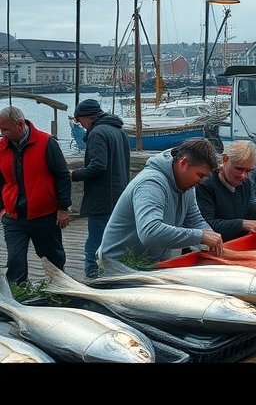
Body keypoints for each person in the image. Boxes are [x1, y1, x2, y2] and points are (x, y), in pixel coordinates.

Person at [98, 138, 223, 265]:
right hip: (120, 267)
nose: (202, 182)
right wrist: (200, 236)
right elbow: (150, 232)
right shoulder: (151, 183)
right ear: (184, 163)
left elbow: (194, 219)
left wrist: (211, 238)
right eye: (200, 175)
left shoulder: (187, 185)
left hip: (153, 264)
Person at [0, 106, 72, 284]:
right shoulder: (2, 148)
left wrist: (63, 208)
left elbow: (62, 175)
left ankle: (60, 289)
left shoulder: (46, 142)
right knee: (15, 261)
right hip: (14, 217)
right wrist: (2, 208)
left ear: (20, 124)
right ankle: (17, 297)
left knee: (53, 258)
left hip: (44, 215)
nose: (3, 133)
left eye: (5, 129)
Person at [69, 98, 131, 278]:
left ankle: (92, 276)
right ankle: (115, 274)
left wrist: (74, 174)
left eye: (79, 121)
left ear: (86, 118)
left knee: (95, 240)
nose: (81, 125)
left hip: (102, 197)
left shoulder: (97, 133)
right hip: (119, 196)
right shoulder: (118, 130)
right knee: (115, 240)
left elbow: (98, 165)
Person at [195, 140, 256, 242]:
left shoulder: (246, 183)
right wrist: (242, 224)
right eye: (239, 169)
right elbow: (206, 225)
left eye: (248, 171)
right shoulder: (206, 185)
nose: (243, 176)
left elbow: (248, 208)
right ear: (225, 159)